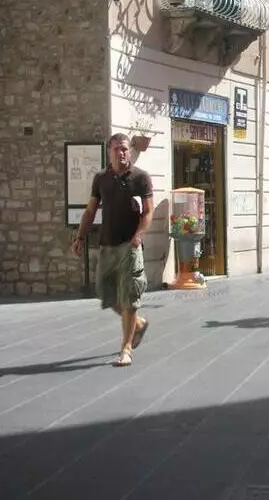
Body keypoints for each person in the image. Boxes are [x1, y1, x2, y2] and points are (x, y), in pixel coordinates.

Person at [72, 133, 153, 367]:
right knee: (105, 294)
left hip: (130, 246)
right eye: (117, 149)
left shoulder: (141, 178)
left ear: (130, 151)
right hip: (106, 245)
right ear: (109, 152)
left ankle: (126, 348)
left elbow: (148, 211)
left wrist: (139, 234)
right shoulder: (101, 179)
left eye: (125, 148)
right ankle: (137, 324)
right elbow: (90, 211)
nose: (122, 152)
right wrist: (80, 237)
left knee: (129, 297)